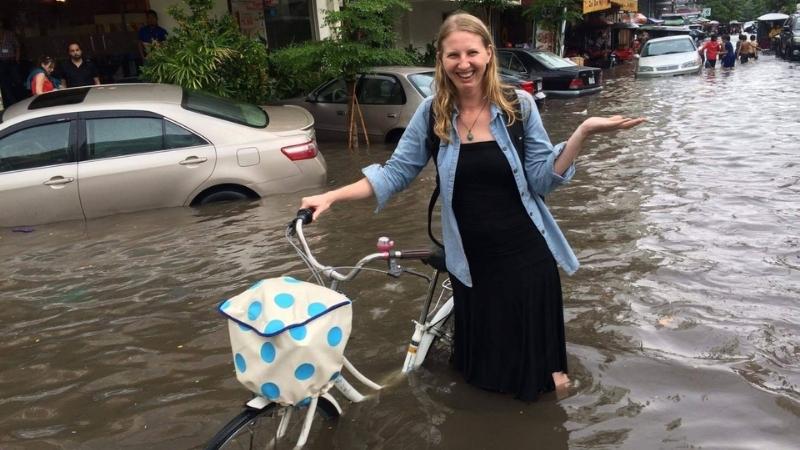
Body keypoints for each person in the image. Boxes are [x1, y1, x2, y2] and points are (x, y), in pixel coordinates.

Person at [299, 13, 644, 401]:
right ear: (441, 60)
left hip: (525, 258)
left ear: (488, 54)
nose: (464, 64)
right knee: (482, 374)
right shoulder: (432, 114)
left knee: (546, 379)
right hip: (471, 263)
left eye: (471, 53)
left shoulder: (520, 106)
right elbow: (394, 174)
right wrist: (330, 196)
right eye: (453, 55)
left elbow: (543, 179)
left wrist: (581, 133)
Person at [0, 18, 21, 108]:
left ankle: (20, 101)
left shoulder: (9, 33)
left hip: (11, 60)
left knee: (16, 81)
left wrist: (17, 58)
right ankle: (10, 103)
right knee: (4, 83)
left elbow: (17, 46)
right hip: (1, 62)